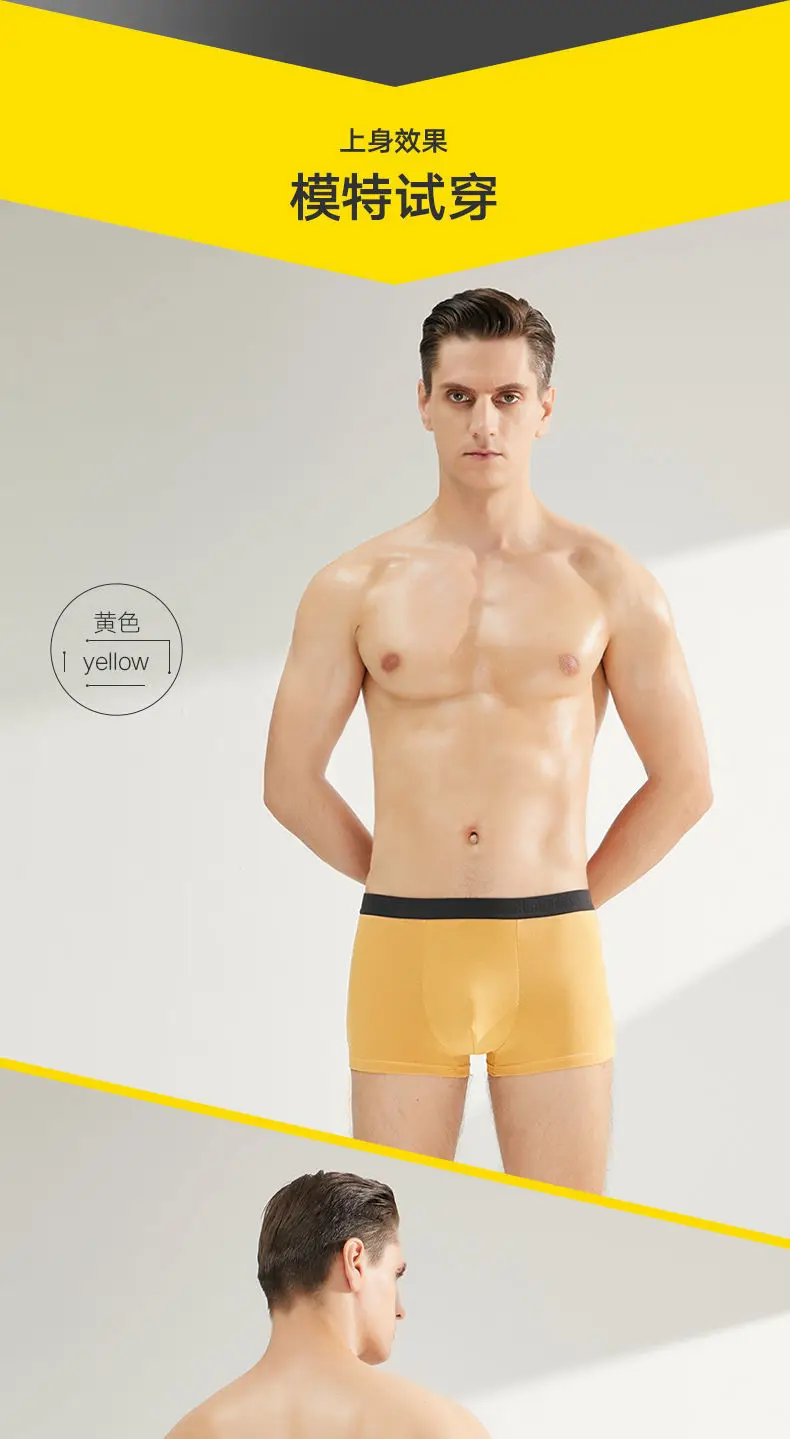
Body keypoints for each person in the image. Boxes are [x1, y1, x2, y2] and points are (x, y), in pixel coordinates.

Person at [263, 288, 712, 1194]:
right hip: (403, 947)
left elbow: (685, 782)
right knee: (386, 1223)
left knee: (571, 1230)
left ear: (544, 408)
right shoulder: (354, 584)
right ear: (423, 402)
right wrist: (394, 872)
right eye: (461, 395)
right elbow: (288, 780)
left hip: (552, 952)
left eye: (508, 397)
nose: (484, 421)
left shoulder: (609, 582)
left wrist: (571, 902)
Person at [166, 1170, 489, 1438]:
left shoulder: (193, 1431)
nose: (400, 1310)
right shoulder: (441, 1427)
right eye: (395, 1274)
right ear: (355, 1262)